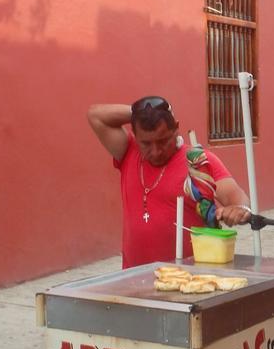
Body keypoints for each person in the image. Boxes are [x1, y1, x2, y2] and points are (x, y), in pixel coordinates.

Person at [88, 96, 251, 267]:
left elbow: (237, 197)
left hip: (187, 279)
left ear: (176, 129)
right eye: (146, 144)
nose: (156, 151)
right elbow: (95, 116)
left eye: (163, 140)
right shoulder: (128, 152)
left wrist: (239, 210)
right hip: (134, 280)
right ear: (135, 136)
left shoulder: (198, 161)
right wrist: (143, 112)